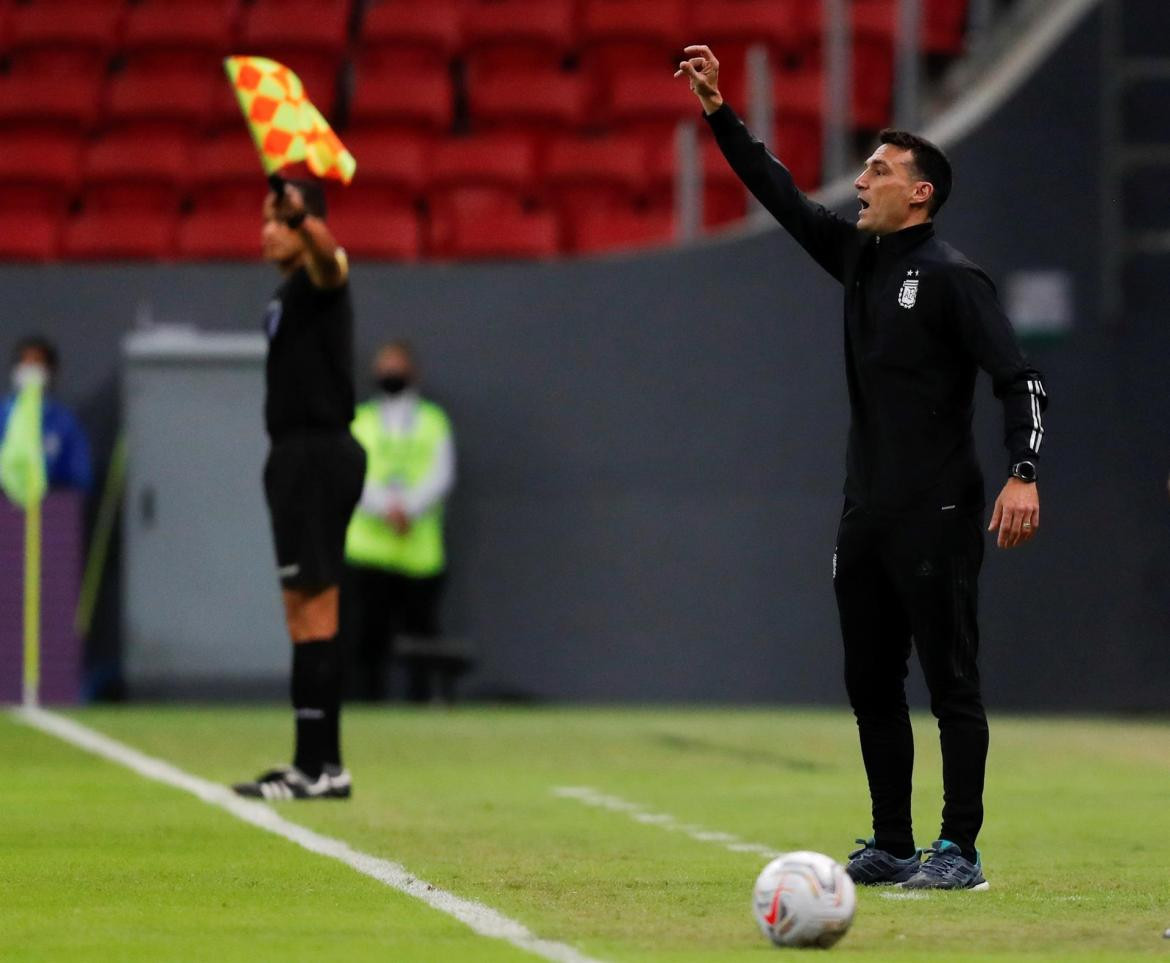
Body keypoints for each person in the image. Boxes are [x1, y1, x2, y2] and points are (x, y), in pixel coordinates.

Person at [677, 46, 1047, 890]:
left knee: (952, 681)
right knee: (870, 680)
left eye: (878, 170)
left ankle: (960, 850)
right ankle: (892, 841)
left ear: (920, 192)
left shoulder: (956, 280)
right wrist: (718, 111)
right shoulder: (858, 260)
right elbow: (778, 192)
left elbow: (1019, 378)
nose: (861, 181)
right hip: (867, 511)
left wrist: (1022, 470)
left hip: (941, 511)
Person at [232, 177, 366, 801]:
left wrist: (307, 220)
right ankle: (315, 763)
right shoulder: (286, 293)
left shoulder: (320, 279)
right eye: (267, 219)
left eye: (277, 220)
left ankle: (319, 769)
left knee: (314, 614)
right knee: (303, 615)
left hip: (316, 453)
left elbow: (333, 260)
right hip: (296, 456)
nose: (266, 230)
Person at [343, 340, 456, 702]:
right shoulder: (361, 420)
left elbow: (441, 475)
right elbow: (351, 473)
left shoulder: (433, 422)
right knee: (366, 639)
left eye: (397, 365)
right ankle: (366, 707)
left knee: (420, 640)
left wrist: (408, 509)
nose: (390, 372)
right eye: (385, 365)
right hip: (369, 552)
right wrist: (384, 508)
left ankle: (421, 708)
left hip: (418, 552)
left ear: (413, 371)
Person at [1, 335, 92, 492]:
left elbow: (80, 476)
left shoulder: (65, 422)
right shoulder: (3, 415)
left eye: (36, 362)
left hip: (53, 508)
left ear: (50, 370)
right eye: (25, 362)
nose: (30, 369)